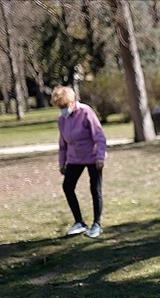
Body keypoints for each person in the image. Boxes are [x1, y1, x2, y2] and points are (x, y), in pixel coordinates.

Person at [52, 86, 107, 238]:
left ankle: (97, 224)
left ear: (72, 102)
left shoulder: (86, 112)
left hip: (93, 157)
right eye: (60, 107)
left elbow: (99, 136)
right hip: (74, 158)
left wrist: (100, 157)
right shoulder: (62, 119)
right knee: (67, 186)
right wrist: (62, 162)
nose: (62, 109)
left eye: (64, 106)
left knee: (95, 189)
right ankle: (79, 222)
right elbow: (63, 143)